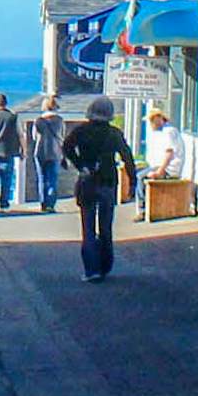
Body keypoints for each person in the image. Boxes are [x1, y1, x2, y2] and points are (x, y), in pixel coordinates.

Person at [63, 95, 136, 282]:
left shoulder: (81, 131)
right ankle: (105, 266)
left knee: (87, 227)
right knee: (106, 227)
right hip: (108, 181)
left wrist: (80, 165)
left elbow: (67, 148)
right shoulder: (114, 133)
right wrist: (133, 182)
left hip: (87, 180)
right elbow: (127, 156)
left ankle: (91, 270)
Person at [29, 93, 66, 211]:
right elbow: (62, 136)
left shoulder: (38, 121)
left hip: (40, 152)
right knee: (52, 179)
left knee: (41, 178)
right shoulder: (60, 120)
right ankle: (51, 204)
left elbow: (34, 137)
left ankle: (43, 203)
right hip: (54, 152)